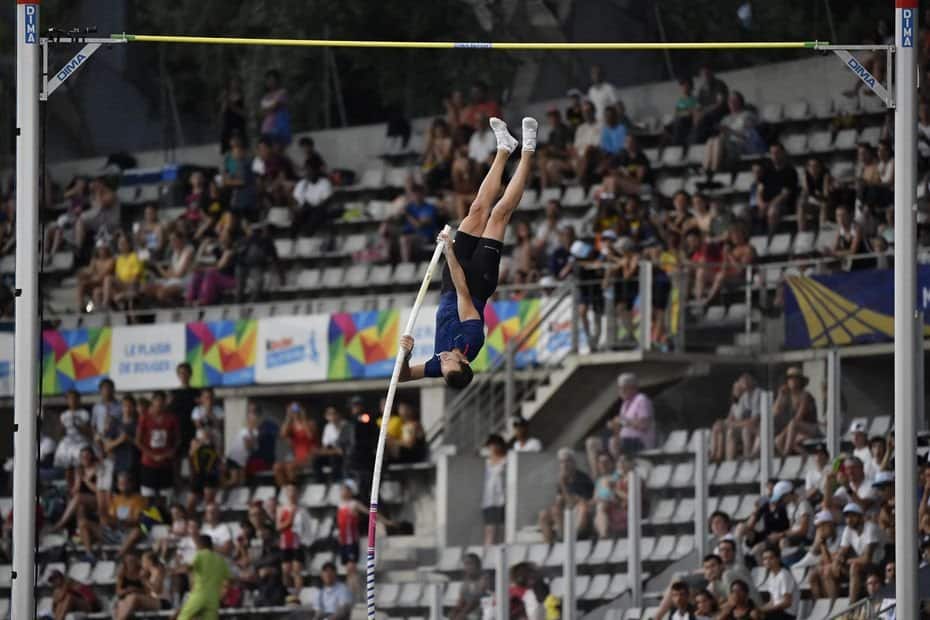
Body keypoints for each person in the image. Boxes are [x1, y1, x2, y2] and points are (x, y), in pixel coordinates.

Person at [399, 117, 538, 388]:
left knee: (476, 210)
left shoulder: (439, 366)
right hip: (476, 284)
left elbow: (402, 377)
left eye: (444, 363)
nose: (443, 359)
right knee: (498, 215)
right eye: (450, 361)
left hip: (452, 283)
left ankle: (504, 148)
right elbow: (464, 293)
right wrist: (449, 252)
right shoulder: (471, 341)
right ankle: (529, 149)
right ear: (465, 361)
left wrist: (406, 355)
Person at [538, 449, 594, 543]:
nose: (564, 465)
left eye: (567, 461)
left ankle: (564, 540)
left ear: (573, 462)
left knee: (557, 510)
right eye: (561, 462)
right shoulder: (563, 478)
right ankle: (548, 546)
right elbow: (559, 500)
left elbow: (573, 503)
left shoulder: (582, 478)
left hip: (580, 513)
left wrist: (563, 484)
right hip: (566, 511)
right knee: (543, 514)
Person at [135, 391, 179, 501]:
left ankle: (166, 517)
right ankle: (149, 518)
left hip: (166, 463)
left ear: (165, 403)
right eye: (157, 400)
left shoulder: (172, 418)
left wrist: (169, 453)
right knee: (147, 495)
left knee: (167, 495)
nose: (159, 403)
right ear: (152, 402)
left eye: (162, 401)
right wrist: (152, 455)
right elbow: (138, 441)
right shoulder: (144, 418)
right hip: (148, 463)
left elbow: (177, 440)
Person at [176, 534, 230, 620]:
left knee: (183, 618)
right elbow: (228, 581)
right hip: (213, 599)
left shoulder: (200, 555)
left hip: (199, 595)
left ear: (199, 544)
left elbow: (189, 567)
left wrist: (179, 569)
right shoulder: (221, 560)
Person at [711, 374, 762, 462]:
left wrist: (730, 424)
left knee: (740, 430)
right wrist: (735, 396)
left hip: (757, 427)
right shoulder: (741, 397)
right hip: (743, 425)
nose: (740, 386)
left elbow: (753, 421)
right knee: (718, 426)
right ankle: (718, 456)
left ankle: (746, 458)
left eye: (742, 383)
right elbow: (731, 417)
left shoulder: (757, 393)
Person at [772, 367, 819, 456]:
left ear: (800, 381)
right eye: (790, 378)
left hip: (811, 428)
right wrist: (780, 395)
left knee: (789, 429)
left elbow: (798, 418)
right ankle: (797, 457)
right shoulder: (787, 396)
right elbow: (774, 413)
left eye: (795, 378)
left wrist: (783, 435)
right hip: (794, 431)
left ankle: (786, 453)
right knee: (779, 440)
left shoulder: (805, 395)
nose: (792, 381)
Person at [336, 479, 368, 599]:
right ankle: (351, 596)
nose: (342, 492)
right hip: (343, 542)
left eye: (345, 489)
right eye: (342, 489)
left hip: (352, 541)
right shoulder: (339, 505)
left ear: (350, 492)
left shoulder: (354, 504)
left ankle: (356, 596)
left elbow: (370, 513)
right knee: (348, 571)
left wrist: (386, 522)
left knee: (351, 568)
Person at [274, 402, 319, 486]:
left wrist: (303, 418)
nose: (295, 412)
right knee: (277, 467)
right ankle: (283, 489)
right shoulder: (291, 426)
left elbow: (310, 436)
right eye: (293, 410)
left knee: (290, 466)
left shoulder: (310, 423)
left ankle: (293, 487)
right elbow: (282, 435)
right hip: (297, 457)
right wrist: (288, 417)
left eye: (296, 410)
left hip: (308, 457)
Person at [115, 551, 171, 619]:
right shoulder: (148, 573)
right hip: (153, 601)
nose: (141, 563)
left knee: (134, 597)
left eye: (143, 561)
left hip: (163, 602)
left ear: (149, 562)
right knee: (122, 603)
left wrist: (144, 580)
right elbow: (148, 592)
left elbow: (157, 590)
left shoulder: (159, 570)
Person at [54, 389, 93, 470]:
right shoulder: (64, 415)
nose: (72, 400)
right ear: (67, 400)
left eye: (75, 398)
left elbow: (89, 432)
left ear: (78, 400)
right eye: (70, 398)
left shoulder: (84, 413)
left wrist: (77, 425)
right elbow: (59, 434)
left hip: (80, 442)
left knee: (79, 463)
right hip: (67, 442)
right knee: (64, 463)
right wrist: (61, 429)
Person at [758, 546, 799, 619]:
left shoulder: (784, 575)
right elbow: (772, 602)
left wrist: (763, 610)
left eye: (771, 558)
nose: (767, 561)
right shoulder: (771, 575)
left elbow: (787, 603)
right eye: (765, 559)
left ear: (778, 559)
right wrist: (758, 610)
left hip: (787, 614)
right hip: (777, 611)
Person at [482, 434, 508, 545]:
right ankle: (487, 555)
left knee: (502, 530)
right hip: (488, 499)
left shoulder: (507, 460)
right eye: (490, 445)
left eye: (495, 444)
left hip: (502, 499)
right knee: (489, 530)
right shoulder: (486, 462)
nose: (492, 447)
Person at [451, 553, 489, 620]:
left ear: (478, 565)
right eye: (465, 564)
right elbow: (461, 600)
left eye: (470, 563)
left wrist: (462, 614)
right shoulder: (466, 581)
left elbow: (476, 600)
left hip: (483, 611)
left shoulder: (484, 578)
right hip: (470, 612)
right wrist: (455, 612)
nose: (467, 567)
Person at [259, 69, 291, 145]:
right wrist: (269, 108)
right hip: (266, 128)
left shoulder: (282, 92)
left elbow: (274, 107)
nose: (271, 82)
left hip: (279, 127)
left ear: (277, 80)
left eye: (273, 79)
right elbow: (261, 112)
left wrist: (267, 109)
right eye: (268, 80)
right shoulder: (265, 96)